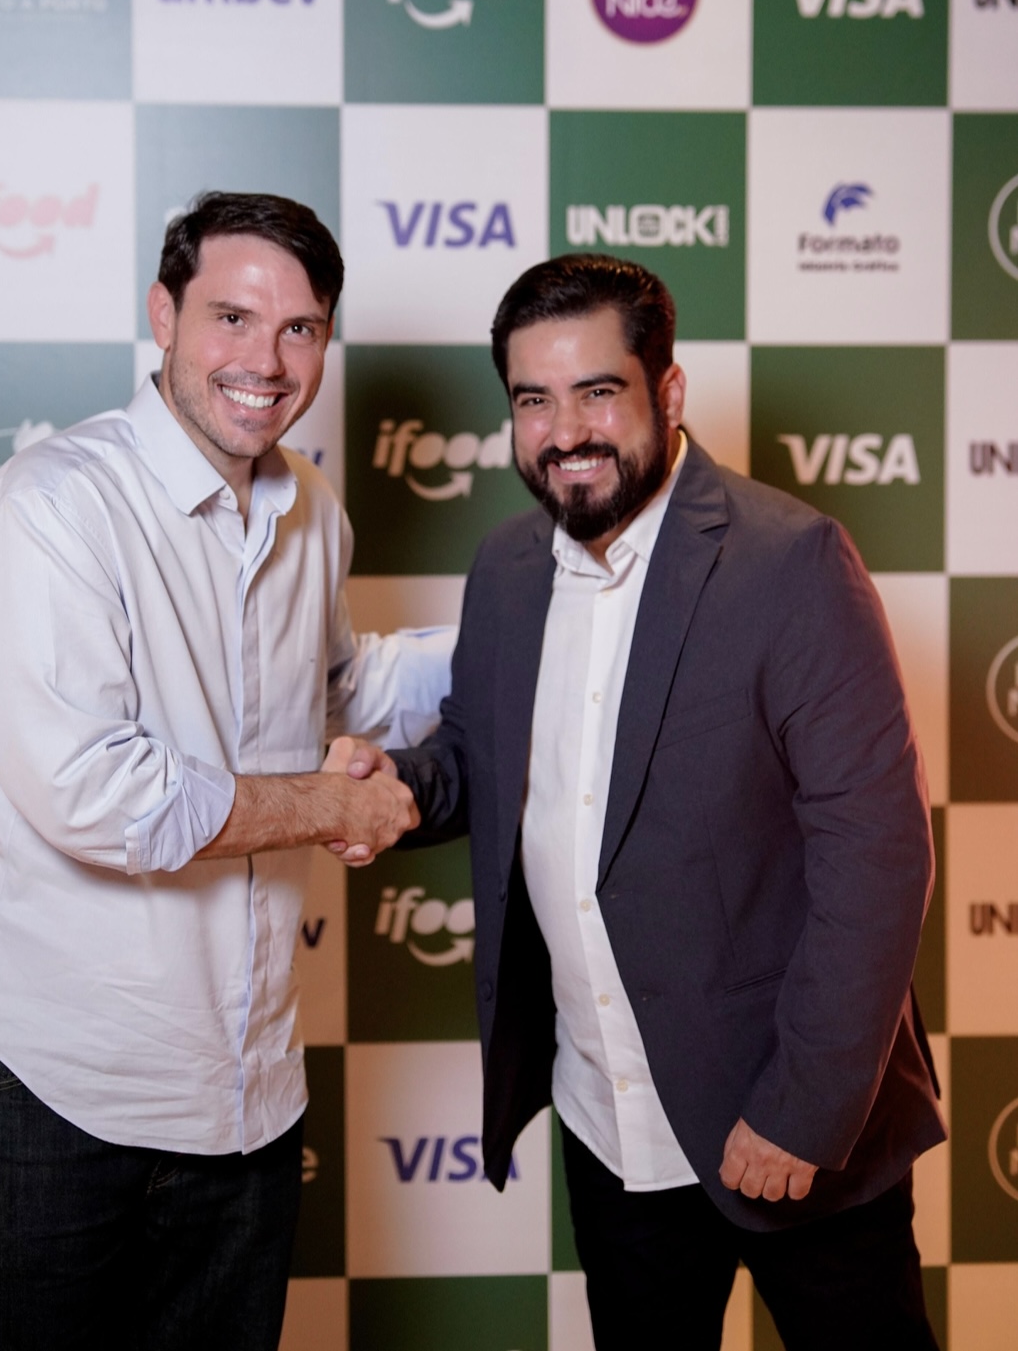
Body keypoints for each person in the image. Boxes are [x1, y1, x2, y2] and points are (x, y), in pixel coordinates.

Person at [332, 254, 946, 1349]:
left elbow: (880, 855)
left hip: (788, 1116)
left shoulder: (792, 562)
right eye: (533, 400)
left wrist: (802, 1110)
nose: (565, 431)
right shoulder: (507, 566)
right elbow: (482, 753)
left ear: (667, 390)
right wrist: (402, 790)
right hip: (609, 1122)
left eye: (597, 391)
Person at [0, 191, 449, 1351]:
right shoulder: (54, 505)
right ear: (163, 314)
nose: (266, 360)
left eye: (300, 329)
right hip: (47, 1085)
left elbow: (339, 689)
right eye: (232, 318)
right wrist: (328, 803)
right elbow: (95, 793)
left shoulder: (312, 511)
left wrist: (536, 624)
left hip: (243, 1098)